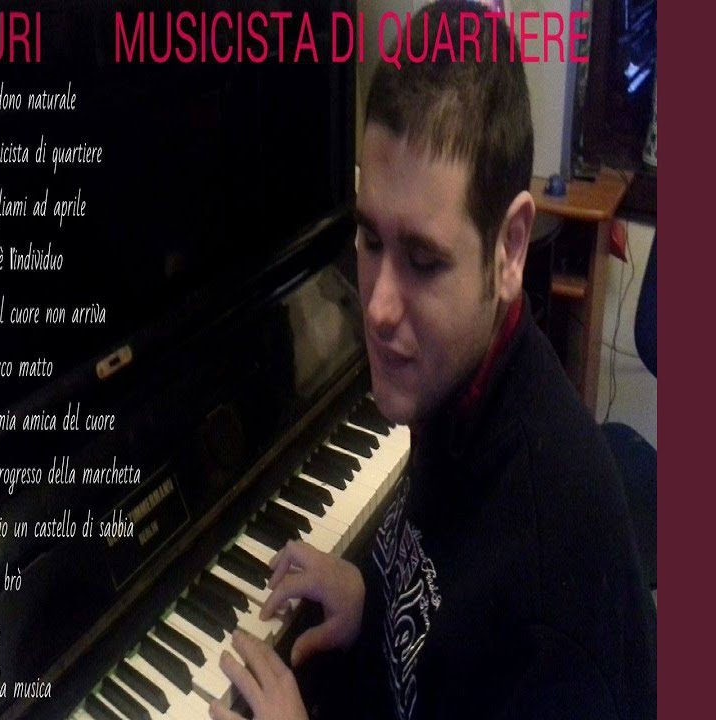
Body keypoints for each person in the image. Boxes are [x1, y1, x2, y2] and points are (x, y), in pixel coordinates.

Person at [209, 3, 657, 718]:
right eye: (370, 240)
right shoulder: (457, 382)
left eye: (423, 260)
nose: (378, 308)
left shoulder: (553, 613)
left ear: (510, 249)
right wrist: (373, 597)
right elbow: (445, 590)